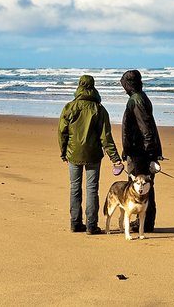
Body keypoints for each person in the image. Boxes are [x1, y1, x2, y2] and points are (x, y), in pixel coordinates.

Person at [59, 75, 123, 235]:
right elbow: (106, 137)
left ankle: (75, 223)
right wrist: (115, 159)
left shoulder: (70, 107)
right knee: (92, 189)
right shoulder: (99, 109)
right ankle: (91, 226)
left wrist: (63, 152)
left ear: (79, 86)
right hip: (93, 154)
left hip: (73, 152)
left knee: (75, 188)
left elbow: (62, 132)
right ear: (93, 87)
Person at [120, 69, 164, 233]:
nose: (123, 88)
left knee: (141, 188)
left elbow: (146, 130)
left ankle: (143, 223)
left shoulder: (136, 100)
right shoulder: (140, 98)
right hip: (140, 150)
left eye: (124, 84)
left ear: (128, 85)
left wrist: (150, 154)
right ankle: (145, 222)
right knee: (145, 187)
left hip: (140, 153)